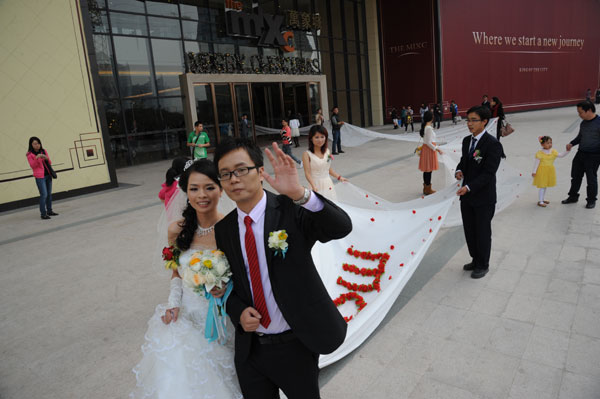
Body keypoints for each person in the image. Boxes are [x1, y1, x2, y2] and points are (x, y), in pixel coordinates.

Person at [212, 138, 352, 399]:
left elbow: (341, 227)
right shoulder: (225, 229)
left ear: (260, 172)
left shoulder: (289, 209)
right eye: (226, 174)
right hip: (250, 351)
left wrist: (300, 194)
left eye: (242, 170)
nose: (234, 179)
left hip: (294, 346)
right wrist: (238, 310)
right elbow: (231, 284)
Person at [130, 159, 242, 399]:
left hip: (223, 319)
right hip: (188, 318)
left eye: (209, 187)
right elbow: (176, 272)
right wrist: (173, 304)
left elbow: (244, 275)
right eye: (194, 188)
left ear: (221, 189)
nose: (202, 195)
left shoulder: (231, 228)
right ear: (185, 191)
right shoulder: (175, 229)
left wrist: (227, 287)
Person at [455, 106, 503, 279]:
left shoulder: (493, 144)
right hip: (466, 197)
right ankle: (475, 259)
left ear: (485, 122)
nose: (469, 124)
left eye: (474, 120)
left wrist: (468, 187)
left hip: (483, 198)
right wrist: (458, 171)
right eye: (468, 120)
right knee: (470, 230)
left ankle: (483, 264)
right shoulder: (467, 141)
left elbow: (489, 174)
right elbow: (463, 162)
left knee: (482, 232)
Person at [561, 101, 600, 209]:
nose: (579, 115)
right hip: (581, 153)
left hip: (594, 156)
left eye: (581, 112)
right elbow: (580, 137)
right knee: (575, 176)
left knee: (591, 178)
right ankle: (573, 196)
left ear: (589, 111)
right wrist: (572, 143)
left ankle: (591, 200)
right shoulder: (583, 123)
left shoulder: (598, 122)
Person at [302, 124, 348, 200]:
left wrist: (339, 177)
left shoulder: (328, 151)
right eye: (316, 137)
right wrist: (313, 186)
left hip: (328, 183)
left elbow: (328, 169)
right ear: (311, 138)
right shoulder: (306, 154)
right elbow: (307, 173)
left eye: (322, 137)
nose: (320, 140)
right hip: (316, 185)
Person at [532, 136, 571, 207]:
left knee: (545, 186)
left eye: (550, 142)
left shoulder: (553, 151)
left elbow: (561, 155)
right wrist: (534, 172)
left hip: (549, 171)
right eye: (547, 143)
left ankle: (542, 199)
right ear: (542, 144)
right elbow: (536, 163)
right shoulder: (540, 153)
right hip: (542, 171)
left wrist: (567, 151)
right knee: (542, 186)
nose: (550, 144)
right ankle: (540, 201)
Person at [26, 137, 58, 220]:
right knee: (44, 195)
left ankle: (50, 211)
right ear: (31, 145)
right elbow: (33, 166)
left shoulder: (44, 151)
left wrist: (46, 158)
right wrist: (37, 158)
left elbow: (49, 162)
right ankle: (43, 214)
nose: (37, 145)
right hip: (40, 177)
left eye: (38, 143)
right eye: (34, 144)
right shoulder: (29, 154)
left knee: (49, 194)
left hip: (48, 175)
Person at [418, 111, 443, 195]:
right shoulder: (428, 128)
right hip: (429, 149)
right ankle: (427, 188)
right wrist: (437, 149)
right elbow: (429, 142)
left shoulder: (427, 127)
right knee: (428, 170)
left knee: (427, 170)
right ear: (431, 117)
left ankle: (426, 187)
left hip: (427, 149)